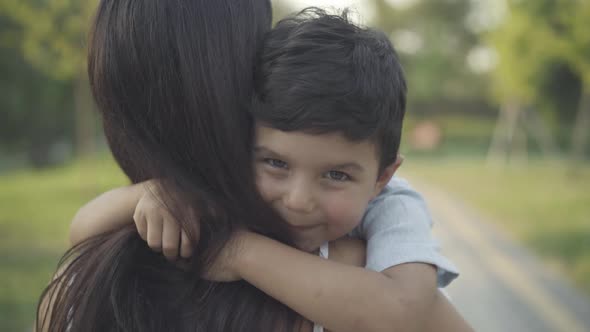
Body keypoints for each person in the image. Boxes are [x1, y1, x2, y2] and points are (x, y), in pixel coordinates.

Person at [67, 7, 472, 332]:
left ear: (382, 177)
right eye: (276, 163)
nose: (297, 200)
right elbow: (81, 232)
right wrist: (148, 193)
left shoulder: (393, 205)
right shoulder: (212, 192)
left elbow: (401, 312)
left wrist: (238, 253)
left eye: (336, 175)